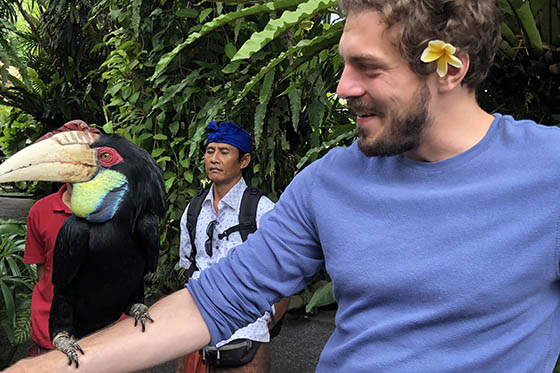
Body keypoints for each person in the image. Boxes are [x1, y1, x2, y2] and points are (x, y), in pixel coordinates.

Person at [6, 0, 560, 371]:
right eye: (344, 65)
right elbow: (212, 303)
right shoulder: (329, 183)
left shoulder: (549, 171)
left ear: (450, 69)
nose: (342, 88)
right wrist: (51, 366)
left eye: (368, 68)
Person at [176, 121, 287, 373]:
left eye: (224, 152)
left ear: (244, 160)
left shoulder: (261, 210)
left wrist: (262, 328)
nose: (214, 158)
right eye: (210, 151)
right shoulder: (194, 210)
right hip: (196, 333)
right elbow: (190, 267)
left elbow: (283, 278)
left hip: (245, 336)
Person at [23, 120, 101, 356]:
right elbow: (44, 274)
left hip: (105, 333)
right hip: (52, 332)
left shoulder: (121, 210)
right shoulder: (41, 211)